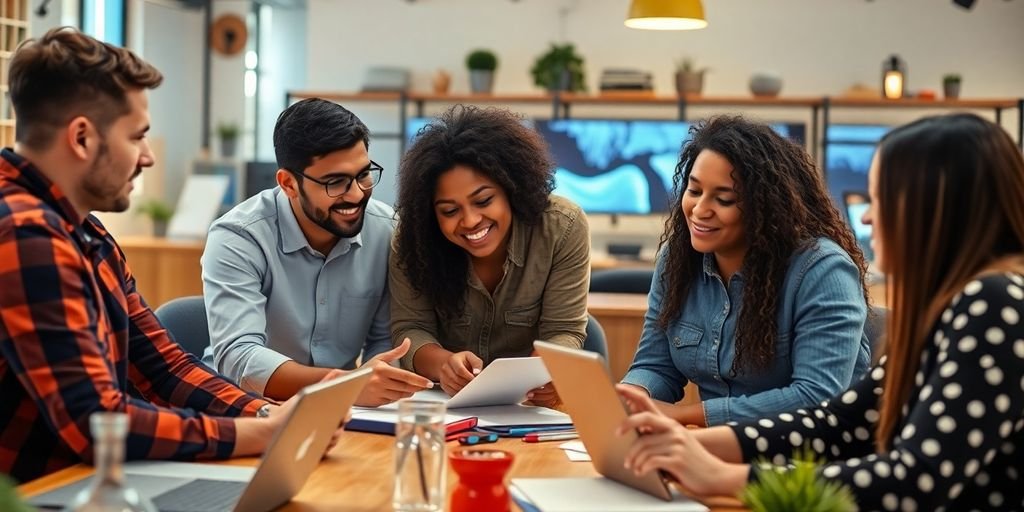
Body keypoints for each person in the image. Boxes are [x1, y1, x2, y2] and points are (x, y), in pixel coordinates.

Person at [616, 113, 1024, 510]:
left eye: (879, 198)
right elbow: (838, 423)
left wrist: (725, 476)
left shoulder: (992, 302)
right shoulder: (948, 305)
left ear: (935, 211)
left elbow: (915, 478)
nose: (865, 215)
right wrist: (690, 445)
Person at [0, 28, 305, 484]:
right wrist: (252, 434)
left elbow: (164, 367)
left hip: (87, 485)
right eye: (137, 136)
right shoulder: (24, 234)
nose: (147, 157)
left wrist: (265, 412)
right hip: (40, 493)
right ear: (82, 138)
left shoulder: (85, 232)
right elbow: (95, 422)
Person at [621, 116, 872, 426]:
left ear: (766, 206)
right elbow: (656, 366)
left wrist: (686, 417)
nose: (699, 211)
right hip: (711, 450)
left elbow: (814, 396)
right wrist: (631, 397)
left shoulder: (821, 270)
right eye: (694, 191)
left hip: (806, 458)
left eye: (724, 199)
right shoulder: (678, 258)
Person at [201, 98, 432, 406]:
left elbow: (384, 343)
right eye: (335, 182)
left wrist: (378, 380)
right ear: (288, 183)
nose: (356, 194)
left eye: (363, 174)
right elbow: (239, 358)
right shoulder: (238, 237)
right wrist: (346, 385)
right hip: (243, 405)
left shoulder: (386, 230)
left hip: (344, 411)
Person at [390, 105, 590, 407]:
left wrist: (551, 372)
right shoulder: (412, 240)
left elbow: (563, 331)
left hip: (529, 408)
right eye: (450, 211)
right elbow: (410, 328)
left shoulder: (562, 227)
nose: (470, 221)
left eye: (483, 200)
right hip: (443, 406)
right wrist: (444, 364)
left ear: (512, 188)